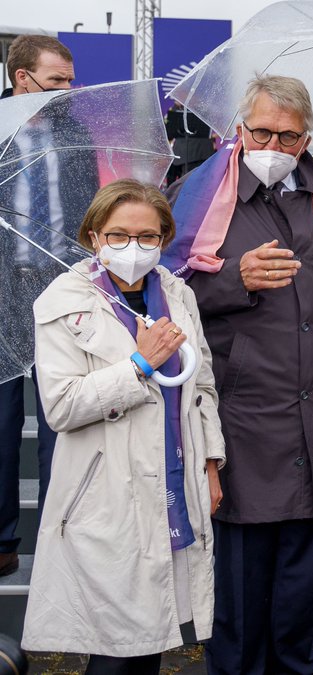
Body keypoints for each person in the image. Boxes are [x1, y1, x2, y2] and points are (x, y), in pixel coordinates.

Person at [164, 74, 313, 675]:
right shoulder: (198, 195)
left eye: (288, 136)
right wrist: (234, 278)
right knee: (242, 584)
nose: (274, 145)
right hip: (246, 415)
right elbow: (165, 294)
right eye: (262, 132)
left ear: (307, 139)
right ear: (239, 129)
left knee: (302, 582)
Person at [21, 179, 224, 674]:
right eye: (118, 235)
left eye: (147, 237)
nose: (133, 248)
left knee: (153, 638)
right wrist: (138, 365)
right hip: (107, 492)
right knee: (115, 647)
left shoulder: (177, 294)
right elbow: (61, 407)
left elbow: (204, 387)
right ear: (94, 237)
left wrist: (211, 463)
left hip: (173, 483)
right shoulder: (64, 302)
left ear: (164, 239)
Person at [0, 34, 81, 579]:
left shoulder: (77, 134)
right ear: (21, 78)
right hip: (2, 291)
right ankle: (2, 540)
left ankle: (59, 539)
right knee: (2, 422)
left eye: (71, 81)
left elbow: (90, 206)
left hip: (58, 289)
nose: (68, 91)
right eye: (57, 80)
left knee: (62, 419)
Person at [164, 102, 216, 186]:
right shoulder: (176, 109)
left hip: (194, 153)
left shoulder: (202, 107)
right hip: (188, 154)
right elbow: (169, 133)